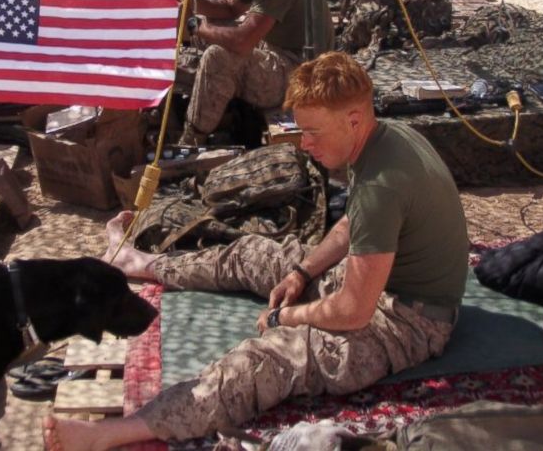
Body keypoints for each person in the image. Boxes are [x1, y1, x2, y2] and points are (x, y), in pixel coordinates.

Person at [43, 51, 469, 451]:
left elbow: (354, 311)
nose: (304, 144)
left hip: (408, 322)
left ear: (354, 120)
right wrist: (301, 274)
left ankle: (112, 433)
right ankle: (147, 263)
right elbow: (350, 225)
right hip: (384, 288)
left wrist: (288, 316)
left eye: (312, 132)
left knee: (263, 362)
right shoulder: (383, 139)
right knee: (253, 254)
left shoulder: (382, 183)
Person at [177, 0, 334, 146]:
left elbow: (242, 42)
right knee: (217, 31)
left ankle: (191, 140)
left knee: (216, 56)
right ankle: (217, 109)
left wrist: (197, 28)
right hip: (282, 55)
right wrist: (190, 1)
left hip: (301, 73)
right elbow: (231, 7)